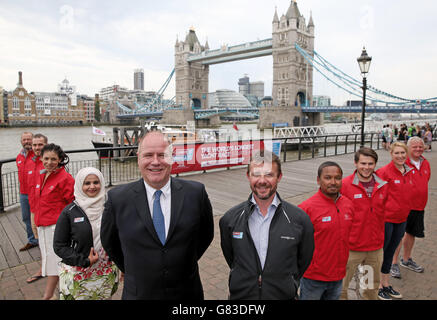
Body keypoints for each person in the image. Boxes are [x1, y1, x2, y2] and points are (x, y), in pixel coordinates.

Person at [101, 130, 214, 300]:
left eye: (162, 155)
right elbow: (110, 243)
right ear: (138, 157)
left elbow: (206, 235)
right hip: (139, 294)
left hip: (186, 293)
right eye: (148, 155)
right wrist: (133, 269)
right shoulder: (117, 199)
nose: (155, 162)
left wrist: (182, 261)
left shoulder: (196, 193)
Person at [219, 150, 314, 300]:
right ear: (248, 176)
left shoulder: (299, 219)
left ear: (279, 177)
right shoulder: (230, 219)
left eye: (269, 174)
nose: (262, 181)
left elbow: (303, 260)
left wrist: (287, 282)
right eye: (256, 174)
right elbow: (231, 258)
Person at [54, 167, 119, 300]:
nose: (92, 187)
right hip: (79, 271)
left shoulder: (109, 207)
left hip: (105, 269)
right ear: (79, 185)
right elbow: (59, 246)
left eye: (96, 182)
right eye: (87, 183)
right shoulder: (69, 212)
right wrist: (84, 260)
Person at [298, 161, 354, 300]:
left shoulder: (348, 205)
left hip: (338, 276)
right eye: (328, 178)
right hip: (313, 278)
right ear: (318, 180)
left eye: (337, 178)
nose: (333, 182)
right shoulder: (306, 208)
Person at [340, 147, 388, 300]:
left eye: (370, 164)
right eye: (363, 163)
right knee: (341, 288)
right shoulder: (344, 185)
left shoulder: (383, 185)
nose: (366, 167)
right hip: (351, 248)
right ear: (355, 163)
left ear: (375, 165)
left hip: (374, 248)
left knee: (370, 288)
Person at [34, 143, 75, 299]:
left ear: (60, 160)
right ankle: (54, 294)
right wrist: (34, 222)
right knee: (51, 263)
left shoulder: (65, 178)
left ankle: (50, 295)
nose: (49, 162)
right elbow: (37, 201)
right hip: (42, 226)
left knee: (56, 264)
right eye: (46, 158)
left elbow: (72, 203)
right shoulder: (41, 174)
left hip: (56, 228)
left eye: (53, 159)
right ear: (41, 158)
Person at [376, 142, 414, 300]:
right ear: (391, 154)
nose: (400, 156)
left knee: (391, 253)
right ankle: (378, 286)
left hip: (402, 219)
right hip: (386, 219)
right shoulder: (384, 172)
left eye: (403, 153)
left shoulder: (409, 171)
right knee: (382, 252)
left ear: (407, 154)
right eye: (397, 153)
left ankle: (386, 283)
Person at [390, 137, 431, 279]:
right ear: (408, 149)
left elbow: (426, 180)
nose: (418, 149)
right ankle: (393, 262)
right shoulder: (402, 163)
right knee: (398, 235)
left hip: (419, 206)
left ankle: (406, 259)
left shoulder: (425, 163)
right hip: (403, 206)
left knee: (411, 233)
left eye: (421, 146)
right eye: (415, 147)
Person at [25, 133, 48, 284]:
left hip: (47, 210)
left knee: (50, 241)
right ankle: (44, 266)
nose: (37, 148)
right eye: (35, 145)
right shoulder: (29, 161)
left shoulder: (49, 162)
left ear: (46, 144)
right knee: (40, 240)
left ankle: (48, 268)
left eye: (40, 144)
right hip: (34, 208)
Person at [16, 132, 38, 251]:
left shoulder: (37, 156)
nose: (26, 142)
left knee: (38, 217)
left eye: (29, 139)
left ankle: (42, 239)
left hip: (35, 193)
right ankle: (32, 240)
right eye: (24, 140)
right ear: (21, 141)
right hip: (23, 193)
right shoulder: (19, 156)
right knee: (26, 217)